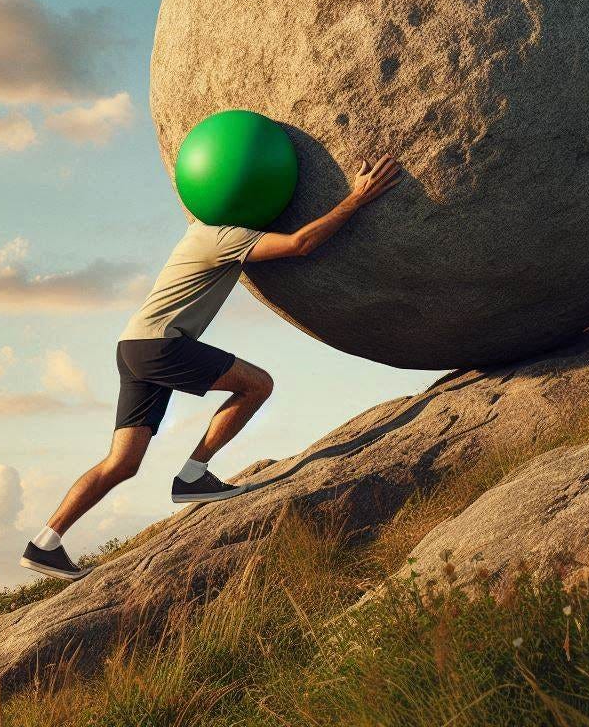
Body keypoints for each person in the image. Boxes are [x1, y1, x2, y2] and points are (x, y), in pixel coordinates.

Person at [20, 154, 402, 581]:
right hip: (160, 345)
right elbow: (300, 244)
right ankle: (193, 474)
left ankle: (45, 543)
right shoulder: (221, 236)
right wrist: (356, 198)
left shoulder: (202, 232)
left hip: (134, 345)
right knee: (258, 385)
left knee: (122, 462)